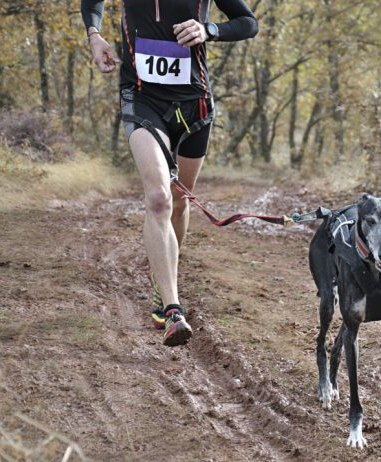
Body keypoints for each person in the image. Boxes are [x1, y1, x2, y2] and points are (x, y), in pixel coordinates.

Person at [80, 0, 258, 346]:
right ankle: (172, 308)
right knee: (159, 198)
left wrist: (210, 31)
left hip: (194, 102)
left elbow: (248, 22)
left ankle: (164, 277)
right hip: (143, 98)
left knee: (179, 199)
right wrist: (94, 36)